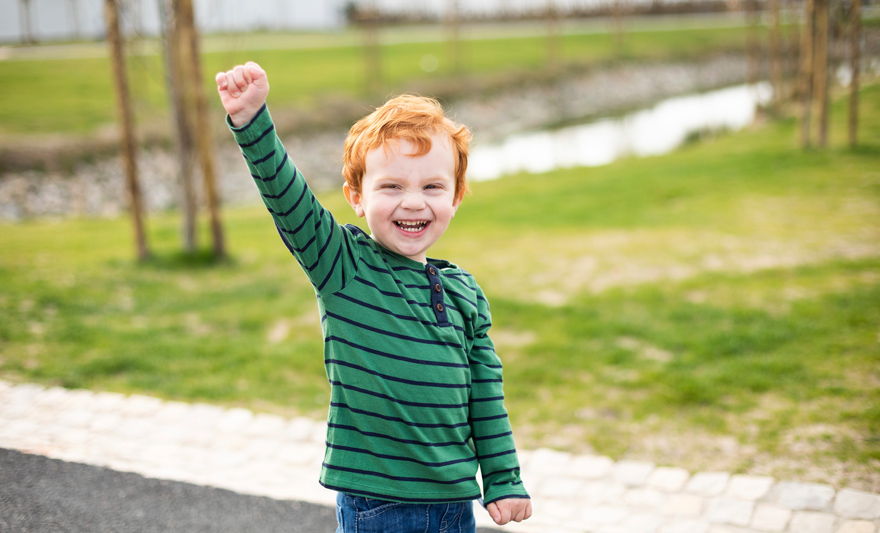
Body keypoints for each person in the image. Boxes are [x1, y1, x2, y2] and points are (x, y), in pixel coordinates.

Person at [215, 61, 532, 532]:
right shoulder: (343, 265)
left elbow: (485, 396)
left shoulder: (466, 294)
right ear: (357, 196)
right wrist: (251, 121)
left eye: (432, 186)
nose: (412, 201)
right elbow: (287, 198)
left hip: (454, 505)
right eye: (391, 186)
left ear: (456, 196)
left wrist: (504, 480)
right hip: (379, 507)